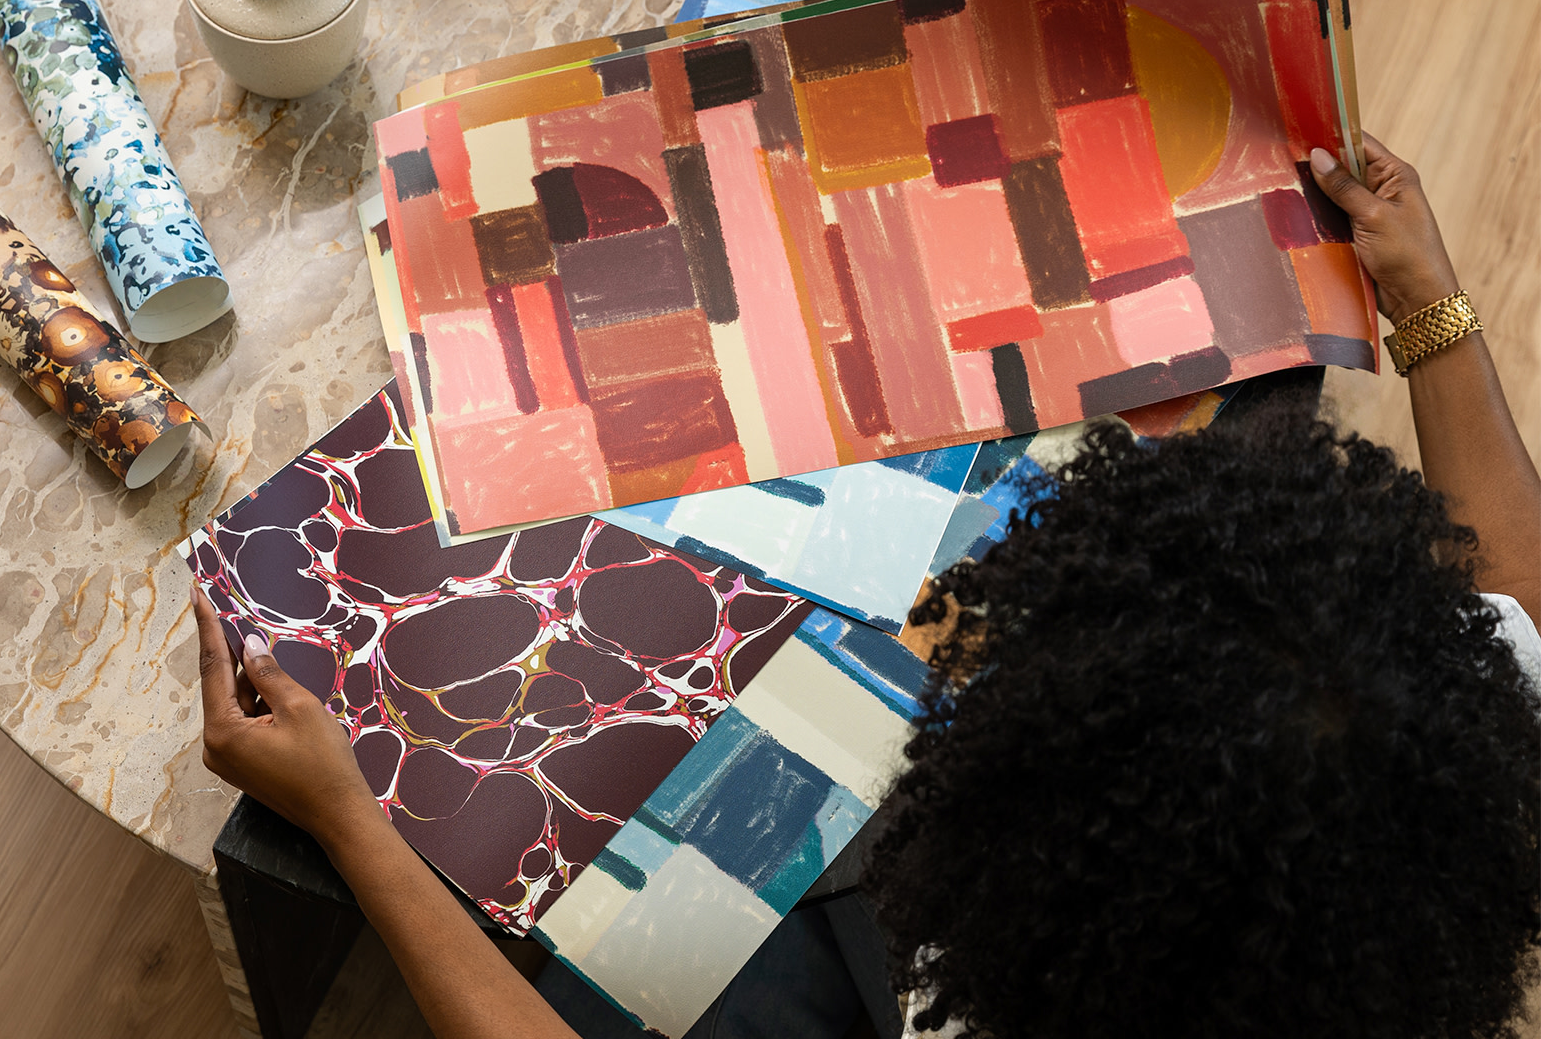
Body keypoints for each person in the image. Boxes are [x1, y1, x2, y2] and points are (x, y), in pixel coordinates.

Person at [192, 135, 1541, 1039]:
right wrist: (1431, 306)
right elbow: (1518, 601)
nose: (958, 626)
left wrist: (352, 820)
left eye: (999, 654)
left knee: (637, 958)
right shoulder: (1445, 730)